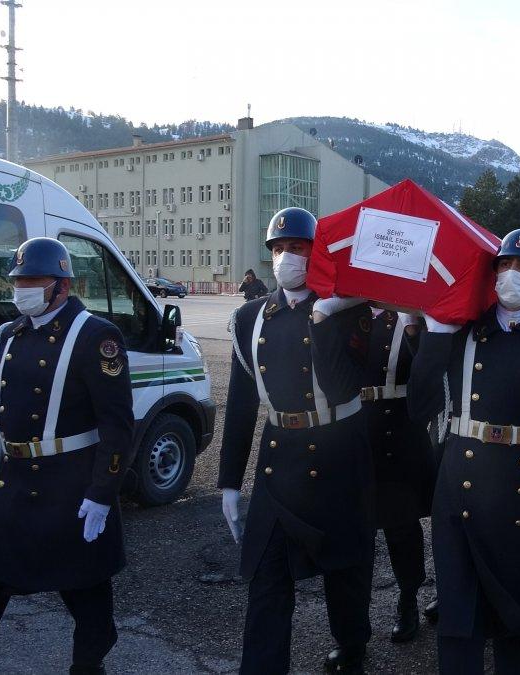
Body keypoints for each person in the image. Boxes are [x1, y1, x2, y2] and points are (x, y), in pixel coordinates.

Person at [0, 237, 135, 675]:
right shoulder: (10, 334)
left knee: (86, 593)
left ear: (62, 285)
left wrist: (102, 493)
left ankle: (89, 664)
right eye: (18, 279)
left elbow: (117, 426)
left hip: (70, 488)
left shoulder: (96, 336)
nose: (22, 288)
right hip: (15, 483)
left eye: (33, 280)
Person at [406, 228, 520, 675]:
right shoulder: (464, 331)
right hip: (460, 495)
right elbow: (418, 407)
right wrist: (433, 333)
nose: (511, 274)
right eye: (504, 265)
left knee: (516, 626)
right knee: (457, 622)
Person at [219, 207, 375, 675]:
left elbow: (347, 382)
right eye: (279, 249)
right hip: (279, 461)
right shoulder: (249, 317)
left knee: (346, 571)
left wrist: (326, 315)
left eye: (298, 248)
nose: (287, 257)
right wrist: (229, 480)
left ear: (317, 253)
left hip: (340, 452)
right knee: (266, 579)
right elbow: (243, 400)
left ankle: (352, 645)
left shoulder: (349, 310)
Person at [361, 308, 436, 644]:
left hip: (400, 431)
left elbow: (433, 374)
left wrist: (413, 326)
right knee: (354, 530)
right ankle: (352, 620)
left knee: (401, 527)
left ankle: (407, 599)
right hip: (355, 431)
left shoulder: (411, 316)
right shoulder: (350, 312)